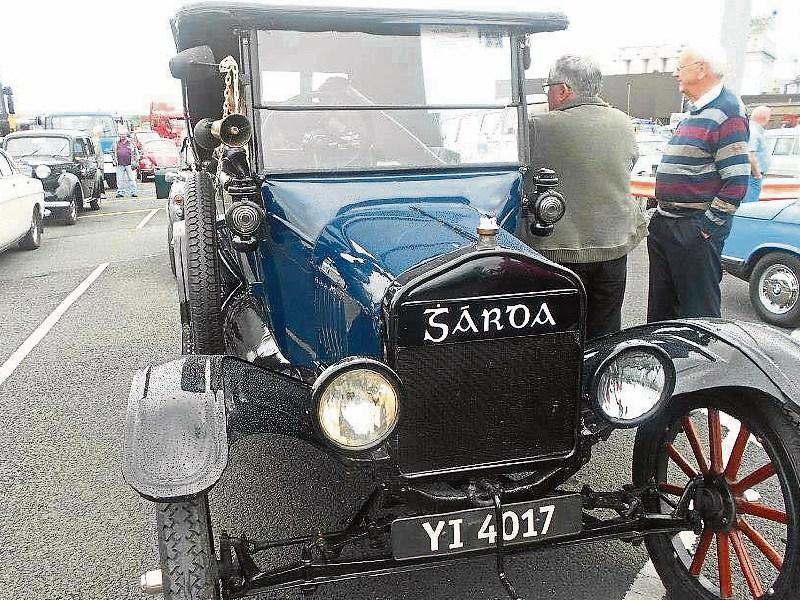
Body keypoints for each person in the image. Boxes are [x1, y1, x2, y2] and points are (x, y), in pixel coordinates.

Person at [519, 55, 646, 339]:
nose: (548, 93)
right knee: (606, 331)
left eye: (548, 87)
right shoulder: (625, 124)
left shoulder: (538, 127)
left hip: (557, 250)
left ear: (563, 90)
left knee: (558, 333)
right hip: (614, 245)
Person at [647, 43, 750, 322]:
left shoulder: (727, 111)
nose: (675, 74)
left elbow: (737, 181)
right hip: (667, 224)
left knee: (698, 317)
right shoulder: (695, 112)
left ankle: (702, 366)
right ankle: (667, 363)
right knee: (662, 315)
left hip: (692, 229)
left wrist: (705, 229)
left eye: (680, 67)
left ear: (701, 69)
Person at [743, 105, 772, 202]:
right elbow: (750, 154)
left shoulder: (750, 129)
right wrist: (757, 175)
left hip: (751, 175)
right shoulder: (754, 131)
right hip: (752, 176)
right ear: (766, 118)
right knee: (749, 206)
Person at [114, 129, 139, 198]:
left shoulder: (131, 142)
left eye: (124, 134)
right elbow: (113, 152)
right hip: (119, 164)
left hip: (129, 164)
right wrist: (114, 160)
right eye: (121, 134)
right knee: (120, 180)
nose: (122, 136)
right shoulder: (116, 142)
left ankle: (134, 192)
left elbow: (136, 152)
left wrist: (136, 161)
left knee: (131, 179)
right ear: (119, 135)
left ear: (126, 135)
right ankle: (120, 192)